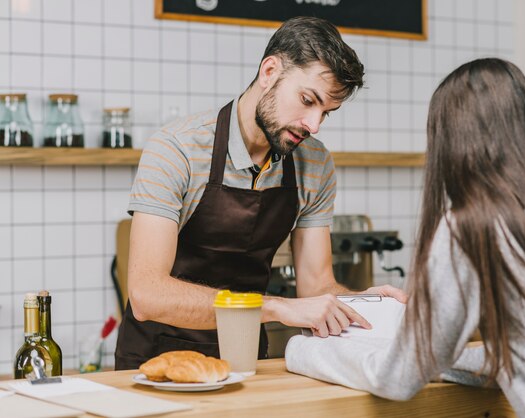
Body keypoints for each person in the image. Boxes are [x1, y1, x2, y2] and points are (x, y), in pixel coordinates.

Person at [285, 58, 525, 417]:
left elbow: (396, 379)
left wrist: (300, 351)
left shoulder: (471, 228)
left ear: (450, 143)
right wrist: (435, 357)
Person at [114, 16, 406, 369]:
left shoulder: (315, 163)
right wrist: (277, 307)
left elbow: (316, 286)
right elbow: (148, 295)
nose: (313, 125)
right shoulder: (177, 149)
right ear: (269, 72)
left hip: (246, 359)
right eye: (307, 100)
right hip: (157, 364)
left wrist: (362, 302)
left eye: (326, 113)